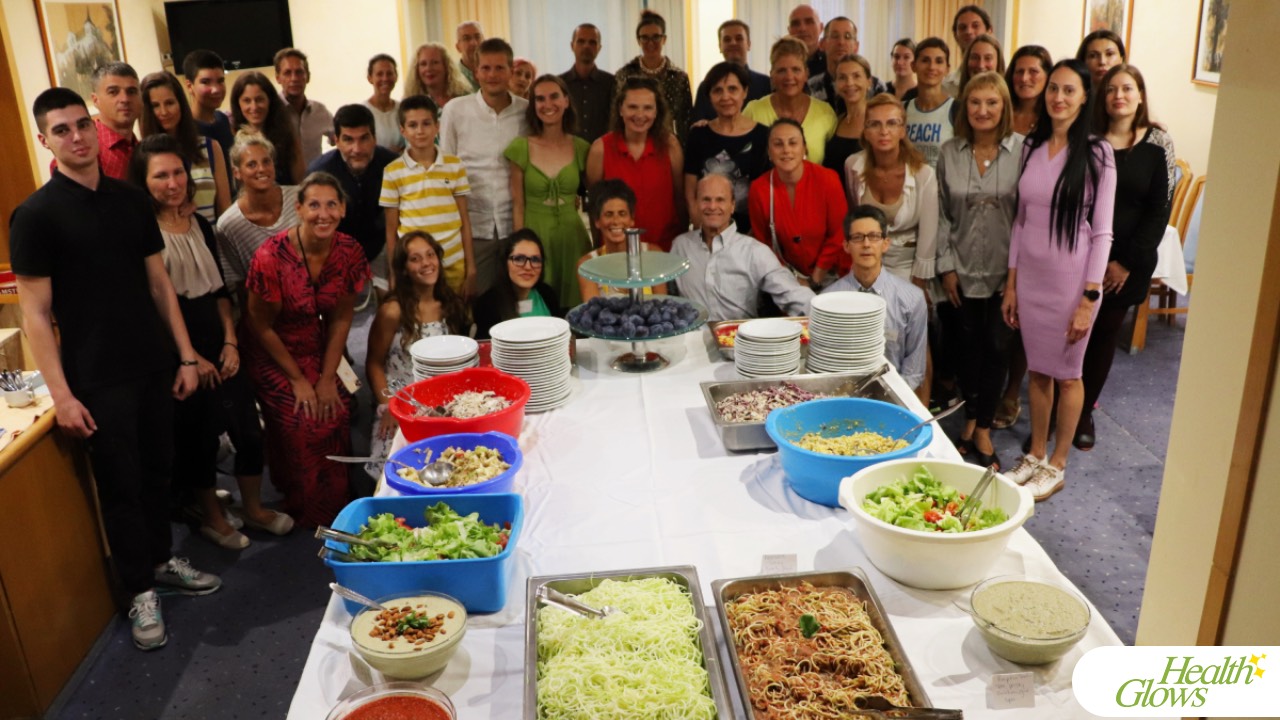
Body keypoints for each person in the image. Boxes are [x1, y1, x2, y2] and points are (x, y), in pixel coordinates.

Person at [11, 88, 219, 651]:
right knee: (121, 486)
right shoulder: (33, 216)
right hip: (96, 377)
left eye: (82, 124)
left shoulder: (130, 200)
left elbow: (159, 284)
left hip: (153, 363)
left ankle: (160, 560)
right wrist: (62, 396)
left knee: (159, 472)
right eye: (62, 130)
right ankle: (138, 590)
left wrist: (184, 355)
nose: (76, 136)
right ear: (44, 140)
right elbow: (34, 315)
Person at [1000, 59, 1116, 501]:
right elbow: (1021, 222)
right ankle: (1033, 453)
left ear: (1084, 97)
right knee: (1037, 372)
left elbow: (1103, 231)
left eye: (1069, 90)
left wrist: (1089, 296)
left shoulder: (1098, 153)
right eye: (1053, 89)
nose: (1058, 98)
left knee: (1068, 374)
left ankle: (1058, 461)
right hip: (1030, 279)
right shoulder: (1032, 146)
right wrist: (1011, 284)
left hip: (1073, 281)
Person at [128, 134, 245, 549]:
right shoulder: (142, 233)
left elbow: (219, 291)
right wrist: (190, 356)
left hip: (215, 332)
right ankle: (209, 515)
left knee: (231, 422)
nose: (173, 182)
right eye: (160, 175)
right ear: (143, 182)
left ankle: (219, 498)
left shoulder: (199, 221)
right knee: (195, 434)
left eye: (178, 172)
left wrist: (230, 341)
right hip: (177, 346)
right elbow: (154, 303)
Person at [245, 172, 371, 527]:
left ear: (343, 209)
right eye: (313, 205)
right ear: (298, 209)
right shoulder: (271, 258)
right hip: (274, 347)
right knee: (305, 417)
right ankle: (303, 504)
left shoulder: (349, 251)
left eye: (332, 204)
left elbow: (342, 317)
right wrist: (299, 379)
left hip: (318, 340)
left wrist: (328, 376)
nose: (323, 214)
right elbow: (260, 325)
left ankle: (338, 501)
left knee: (337, 406)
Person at [1076, 64, 1174, 451]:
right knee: (1073, 334)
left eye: (1127, 88)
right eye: (1112, 89)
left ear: (1140, 96)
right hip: (1083, 257)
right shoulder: (1087, 139)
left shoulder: (1157, 143)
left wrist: (1125, 262)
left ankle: (1083, 412)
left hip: (1127, 263)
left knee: (1103, 336)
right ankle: (1061, 404)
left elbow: (1159, 210)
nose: (1119, 95)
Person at [935, 72, 1024, 470]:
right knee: (967, 350)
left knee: (998, 349)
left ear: (1004, 107)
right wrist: (946, 267)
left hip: (1007, 273)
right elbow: (939, 215)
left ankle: (984, 426)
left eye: (992, 102)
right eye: (975, 102)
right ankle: (970, 418)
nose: (983, 110)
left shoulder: (1022, 151)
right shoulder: (948, 152)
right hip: (961, 268)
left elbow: (1027, 217)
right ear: (964, 107)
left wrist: (1017, 277)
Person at [366, 231, 469, 478]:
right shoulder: (392, 311)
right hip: (401, 406)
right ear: (404, 269)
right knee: (397, 479)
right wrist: (388, 403)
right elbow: (374, 363)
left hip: (441, 406)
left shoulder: (450, 304)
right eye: (415, 258)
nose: (426, 263)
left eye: (430, 255)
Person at [440, 38, 529, 297]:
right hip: (473, 227)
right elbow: (447, 170)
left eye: (500, 68)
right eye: (486, 68)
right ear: (476, 71)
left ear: (511, 71)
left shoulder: (525, 111)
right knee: (475, 304)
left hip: (515, 224)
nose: (492, 75)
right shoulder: (455, 111)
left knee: (514, 304)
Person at [672, 174, 814, 321]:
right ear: (696, 204)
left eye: (720, 200)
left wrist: (826, 317)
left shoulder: (754, 251)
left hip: (739, 339)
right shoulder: (680, 246)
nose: (712, 206)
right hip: (690, 340)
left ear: (732, 205)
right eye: (706, 200)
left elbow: (791, 293)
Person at [506, 75, 591, 307]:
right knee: (539, 305)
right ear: (533, 106)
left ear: (566, 101)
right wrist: (519, 250)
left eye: (554, 96)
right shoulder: (520, 147)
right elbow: (518, 204)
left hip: (573, 237)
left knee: (577, 307)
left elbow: (596, 200)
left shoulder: (582, 148)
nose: (547, 104)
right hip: (535, 234)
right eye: (540, 99)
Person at [822, 205, 927, 389]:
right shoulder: (828, 300)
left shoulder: (913, 299)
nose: (866, 244)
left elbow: (914, 370)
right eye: (857, 237)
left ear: (885, 243)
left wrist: (891, 398)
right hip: (842, 397)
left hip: (895, 398)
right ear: (846, 245)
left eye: (874, 236)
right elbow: (824, 362)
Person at [382, 95, 473, 295]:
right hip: (416, 266)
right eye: (413, 125)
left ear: (437, 126)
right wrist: (394, 272)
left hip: (453, 262)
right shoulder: (392, 171)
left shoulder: (454, 165)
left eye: (426, 123)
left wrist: (471, 267)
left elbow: (464, 219)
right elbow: (391, 230)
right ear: (403, 130)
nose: (420, 131)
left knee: (457, 318)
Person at [845, 94, 938, 285]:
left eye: (892, 123)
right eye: (875, 124)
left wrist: (919, 283)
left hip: (908, 267)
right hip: (865, 264)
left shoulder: (924, 174)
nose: (884, 131)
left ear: (903, 130)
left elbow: (928, 237)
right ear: (866, 131)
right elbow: (855, 219)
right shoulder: (853, 166)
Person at [586, 76, 685, 252]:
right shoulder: (600, 149)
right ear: (620, 109)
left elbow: (680, 200)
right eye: (632, 107)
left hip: (664, 251)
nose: (640, 115)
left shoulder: (671, 145)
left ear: (656, 112)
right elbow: (595, 207)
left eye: (647, 108)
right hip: (615, 252)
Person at [747, 119, 847, 287]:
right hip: (784, 278)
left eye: (793, 143)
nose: (786, 150)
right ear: (769, 152)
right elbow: (763, 244)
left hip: (833, 274)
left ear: (804, 149)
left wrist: (816, 277)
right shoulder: (759, 189)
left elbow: (839, 233)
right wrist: (790, 280)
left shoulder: (828, 179)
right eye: (778, 144)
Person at [308, 104, 399, 267]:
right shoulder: (319, 173)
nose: (356, 149)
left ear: (374, 138)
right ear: (336, 141)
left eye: (364, 138)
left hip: (385, 252)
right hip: (333, 257)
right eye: (348, 140)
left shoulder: (394, 167)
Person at [683, 62, 769, 234]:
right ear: (709, 96)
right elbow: (690, 189)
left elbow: (764, 192)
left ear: (744, 92)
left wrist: (754, 232)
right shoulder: (698, 134)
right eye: (717, 91)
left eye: (732, 89)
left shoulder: (763, 135)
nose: (725, 97)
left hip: (749, 232)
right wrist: (701, 228)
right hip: (706, 229)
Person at [139, 71, 231, 221]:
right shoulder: (142, 156)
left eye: (169, 103)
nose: (163, 112)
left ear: (180, 103)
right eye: (155, 106)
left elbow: (225, 210)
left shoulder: (210, 147)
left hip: (211, 240)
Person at [216, 134, 299, 301]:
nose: (261, 169)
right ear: (237, 172)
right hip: (265, 307)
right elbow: (240, 282)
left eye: (266, 162)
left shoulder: (300, 197)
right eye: (252, 164)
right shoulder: (229, 224)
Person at [743, 36, 838, 165]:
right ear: (771, 74)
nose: (789, 77)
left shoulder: (825, 112)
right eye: (782, 70)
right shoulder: (754, 111)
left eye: (796, 70)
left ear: (806, 74)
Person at [577, 179, 667, 301]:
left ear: (632, 219)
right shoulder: (587, 265)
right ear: (597, 221)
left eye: (622, 213)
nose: (616, 221)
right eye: (608, 214)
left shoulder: (653, 254)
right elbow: (593, 315)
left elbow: (661, 306)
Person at [614, 10, 693, 147]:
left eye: (656, 37)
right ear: (638, 40)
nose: (650, 42)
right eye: (645, 37)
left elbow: (685, 122)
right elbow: (616, 118)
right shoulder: (624, 75)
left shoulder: (679, 77)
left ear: (664, 39)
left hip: (667, 145)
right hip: (631, 145)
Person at [473, 229, 563, 339]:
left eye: (535, 260)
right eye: (519, 259)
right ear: (505, 263)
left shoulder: (548, 294)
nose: (528, 267)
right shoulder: (487, 304)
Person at [231, 71, 305, 185]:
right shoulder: (231, 136)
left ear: (270, 100)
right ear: (238, 104)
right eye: (247, 101)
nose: (254, 107)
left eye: (259, 99)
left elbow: (300, 183)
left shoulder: (288, 137)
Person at [691, 20, 772, 122]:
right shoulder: (707, 86)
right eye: (727, 39)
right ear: (720, 46)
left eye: (739, 38)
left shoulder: (766, 85)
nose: (733, 43)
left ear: (749, 44)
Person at [71, 62, 141, 180]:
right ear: (95, 100)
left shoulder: (140, 147)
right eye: (113, 92)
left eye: (131, 92)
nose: (125, 99)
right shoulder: (83, 149)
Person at [807, 18, 886, 116]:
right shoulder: (811, 87)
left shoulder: (876, 87)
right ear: (822, 44)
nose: (841, 42)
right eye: (835, 36)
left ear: (856, 46)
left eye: (848, 37)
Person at [273, 48, 334, 167]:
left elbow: (338, 137)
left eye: (299, 72)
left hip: (315, 181)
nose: (294, 78)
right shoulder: (270, 111)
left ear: (308, 77)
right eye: (287, 73)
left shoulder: (320, 111)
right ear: (278, 78)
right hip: (281, 184)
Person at [823, 54, 872, 194]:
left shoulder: (877, 120)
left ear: (869, 82)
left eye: (856, 76)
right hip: (835, 201)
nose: (849, 83)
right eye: (842, 77)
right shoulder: (837, 120)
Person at [904, 37, 955, 168]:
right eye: (925, 60)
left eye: (939, 61)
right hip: (908, 186)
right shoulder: (901, 109)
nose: (932, 67)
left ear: (947, 69)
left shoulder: (957, 110)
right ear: (913, 66)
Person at [560, 23, 615, 143]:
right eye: (581, 41)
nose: (586, 46)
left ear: (599, 47)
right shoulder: (559, 84)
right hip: (567, 155)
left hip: (603, 155)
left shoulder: (613, 83)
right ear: (572, 45)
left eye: (592, 42)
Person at [182, 50, 233, 171]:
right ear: (190, 86)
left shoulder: (223, 120)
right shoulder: (184, 127)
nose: (215, 89)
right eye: (206, 82)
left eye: (220, 81)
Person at [943, 5, 994, 97]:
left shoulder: (1008, 81)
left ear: (989, 31)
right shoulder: (946, 87)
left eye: (975, 26)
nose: (969, 31)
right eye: (962, 27)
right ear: (955, 35)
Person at [404, 43, 470, 109]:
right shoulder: (410, 104)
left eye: (435, 62)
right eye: (423, 64)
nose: (429, 68)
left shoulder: (464, 97)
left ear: (446, 66)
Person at [1006, 45, 1052, 137]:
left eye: (1033, 71)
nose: (1024, 78)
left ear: (1048, 76)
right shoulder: (1001, 113)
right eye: (1019, 71)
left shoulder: (1053, 118)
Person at [364, 53, 404, 153]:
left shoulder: (402, 109)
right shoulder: (362, 111)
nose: (385, 78)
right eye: (379, 74)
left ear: (396, 76)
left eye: (389, 73)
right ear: (370, 78)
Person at [959, 35, 1006, 100]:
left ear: (998, 62)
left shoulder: (1011, 106)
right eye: (975, 58)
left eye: (988, 58)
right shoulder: (953, 107)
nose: (981, 65)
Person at [788, 4, 826, 78]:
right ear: (789, 31)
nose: (802, 28)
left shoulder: (830, 63)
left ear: (821, 28)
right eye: (795, 24)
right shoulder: (782, 62)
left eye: (809, 22)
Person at [456, 21, 485, 92]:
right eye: (466, 38)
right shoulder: (452, 77)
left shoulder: (496, 72)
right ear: (458, 47)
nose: (474, 43)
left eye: (477, 37)